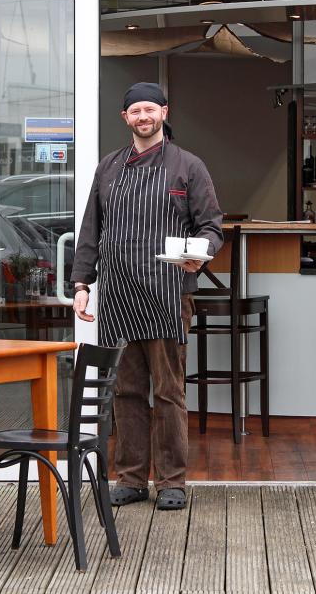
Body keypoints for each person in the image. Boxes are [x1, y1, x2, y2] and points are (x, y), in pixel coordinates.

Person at [70, 82, 223, 511]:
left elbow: (211, 227)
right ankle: (132, 477)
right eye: (135, 110)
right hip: (117, 297)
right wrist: (82, 284)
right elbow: (90, 232)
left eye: (149, 109)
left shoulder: (188, 166)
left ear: (163, 112)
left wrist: (201, 254)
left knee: (169, 391)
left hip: (167, 295)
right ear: (125, 118)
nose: (143, 116)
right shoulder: (108, 168)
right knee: (125, 390)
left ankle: (172, 481)